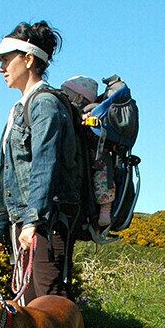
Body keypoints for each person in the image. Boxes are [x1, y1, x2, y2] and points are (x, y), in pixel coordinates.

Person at [0, 21, 80, 328]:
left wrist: (34, 222)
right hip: (25, 223)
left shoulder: (45, 105)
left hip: (46, 223)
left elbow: (46, 165)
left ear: (29, 59)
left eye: (7, 58)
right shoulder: (17, 109)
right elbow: (6, 172)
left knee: (48, 308)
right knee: (27, 306)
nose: (1, 66)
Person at [62, 75, 115, 228]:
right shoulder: (72, 108)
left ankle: (106, 209)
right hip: (85, 154)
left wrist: (86, 119)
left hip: (97, 155)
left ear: (79, 96)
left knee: (103, 179)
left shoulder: (92, 110)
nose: (63, 94)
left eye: (67, 92)